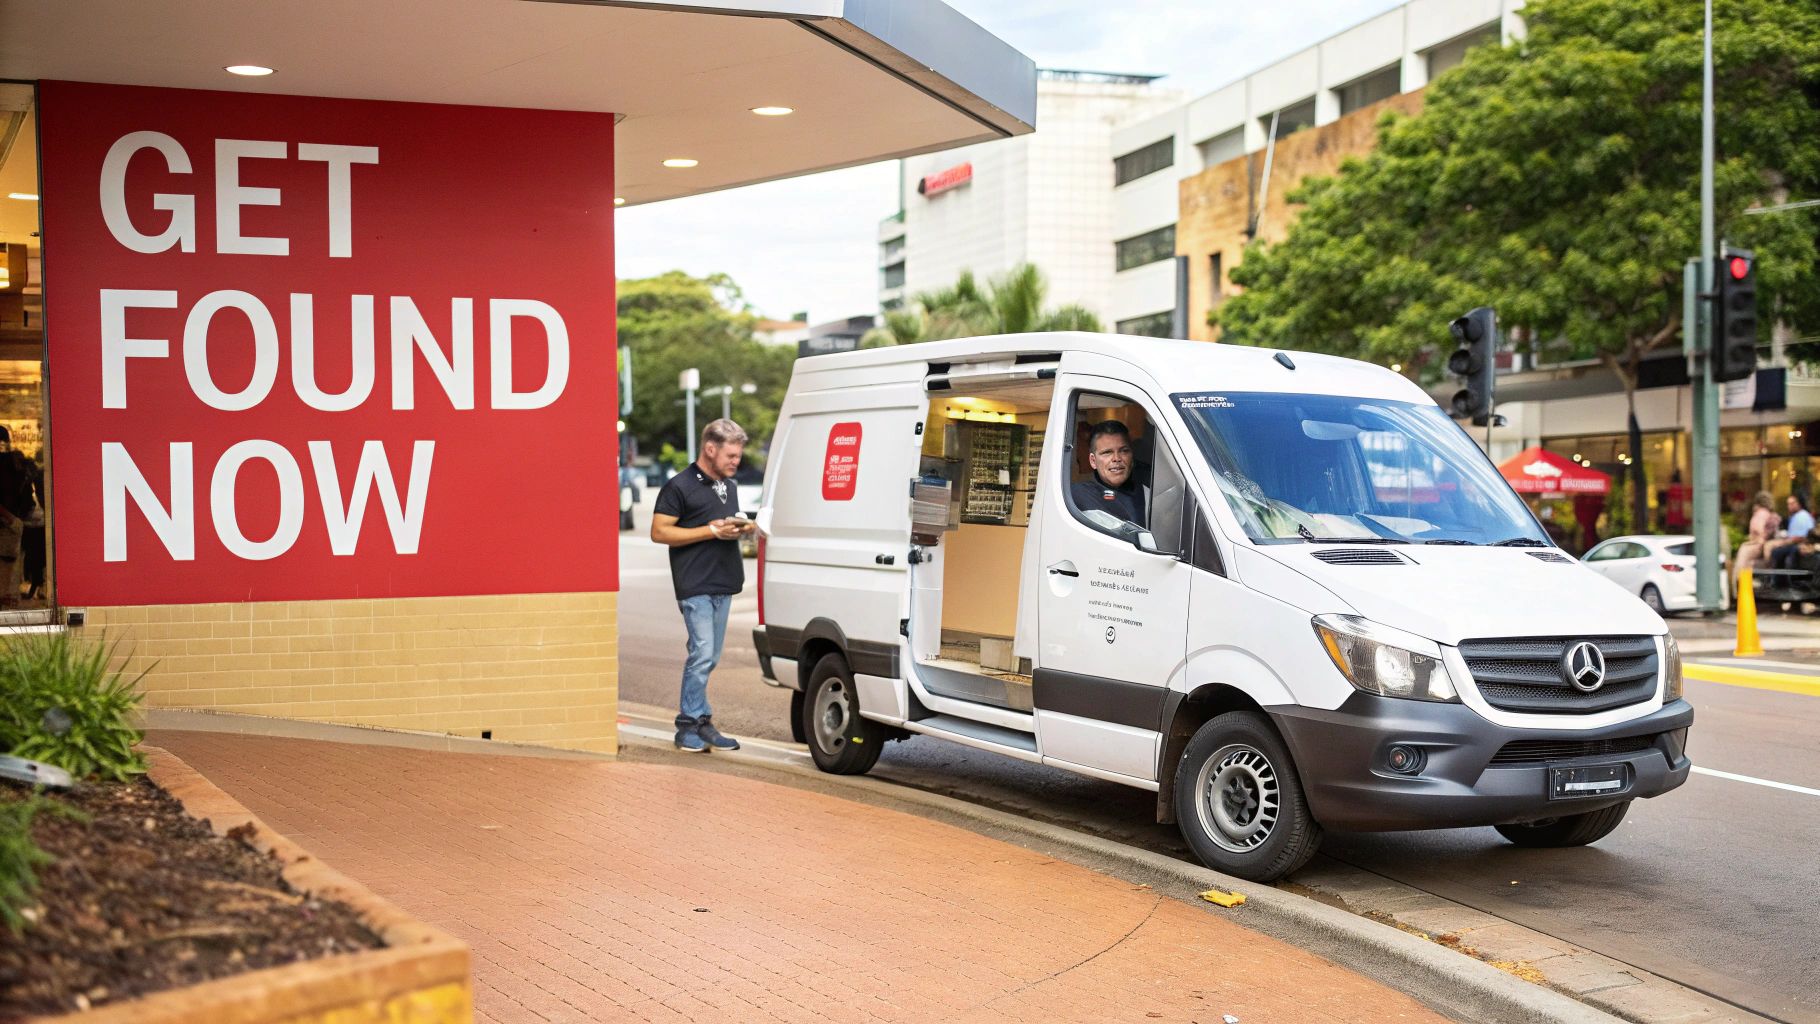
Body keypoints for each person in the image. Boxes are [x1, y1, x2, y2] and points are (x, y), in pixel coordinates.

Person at [650, 419, 754, 753]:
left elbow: (721, 525)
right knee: (702, 653)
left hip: (724, 581)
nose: (736, 461)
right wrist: (710, 531)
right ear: (710, 448)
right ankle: (688, 726)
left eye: (738, 455)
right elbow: (659, 532)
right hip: (694, 583)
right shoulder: (678, 486)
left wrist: (741, 528)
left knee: (709, 657)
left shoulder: (730, 486)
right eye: (731, 454)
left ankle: (703, 721)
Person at [1070, 420, 1147, 528]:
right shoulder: (1075, 496)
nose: (1116, 458)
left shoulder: (1148, 496)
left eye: (1124, 451)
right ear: (1093, 461)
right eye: (1107, 452)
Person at [0, 427, 37, 608]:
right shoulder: (10, 465)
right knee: (9, 563)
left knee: (12, 563)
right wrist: (12, 519)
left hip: (11, 520)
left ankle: (8, 598)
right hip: (9, 520)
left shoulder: (12, 465)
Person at [1734, 490, 1779, 588]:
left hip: (1756, 544)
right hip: (1761, 544)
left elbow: (1758, 529)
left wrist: (1756, 540)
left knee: (1741, 568)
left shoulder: (1760, 513)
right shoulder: (1769, 513)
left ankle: (1740, 587)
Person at [1769, 494, 1816, 570]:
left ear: (1799, 503)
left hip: (1800, 545)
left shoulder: (1802, 516)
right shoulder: (1795, 516)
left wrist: (1784, 542)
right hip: (1793, 544)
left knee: (1776, 552)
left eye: (1792, 503)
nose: (1789, 506)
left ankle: (1777, 579)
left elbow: (1802, 537)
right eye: (1788, 504)